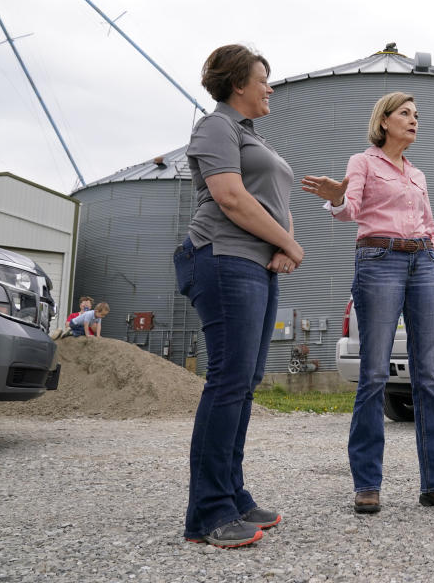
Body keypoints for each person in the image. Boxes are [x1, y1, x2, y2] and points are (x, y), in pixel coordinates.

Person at [302, 92, 434, 515]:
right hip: (379, 261)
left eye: (417, 114)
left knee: (427, 376)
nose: (415, 120)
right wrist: (337, 197)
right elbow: (350, 210)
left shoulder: (418, 174)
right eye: (406, 114)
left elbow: (429, 229)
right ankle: (367, 484)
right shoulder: (363, 162)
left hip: (422, 266)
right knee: (375, 373)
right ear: (384, 121)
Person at [174, 44, 304, 548]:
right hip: (223, 256)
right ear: (238, 84)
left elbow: (275, 201)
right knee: (227, 384)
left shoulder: (249, 135)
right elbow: (230, 195)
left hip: (256, 263)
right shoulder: (215, 127)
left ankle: (232, 494)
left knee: (243, 384)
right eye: (264, 78)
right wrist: (290, 243)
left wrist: (284, 245)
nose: (270, 87)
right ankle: (207, 515)